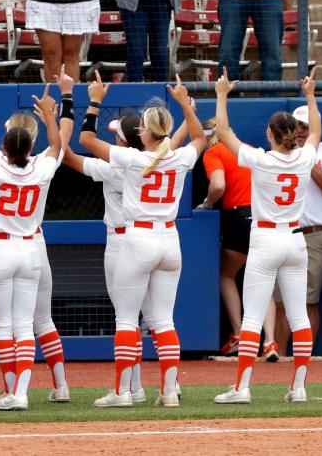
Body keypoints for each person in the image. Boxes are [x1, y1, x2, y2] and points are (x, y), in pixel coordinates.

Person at [81, 75, 205, 408]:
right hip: (169, 238)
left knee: (126, 319)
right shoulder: (178, 159)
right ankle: (168, 392)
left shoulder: (133, 159)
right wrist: (184, 104)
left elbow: (87, 139)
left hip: (138, 238)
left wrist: (94, 101)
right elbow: (199, 137)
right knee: (164, 320)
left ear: (146, 132)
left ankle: (122, 393)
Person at [212, 73, 319, 404]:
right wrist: (311, 96)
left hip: (266, 239)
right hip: (295, 240)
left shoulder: (261, 158)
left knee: (253, 316)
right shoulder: (304, 157)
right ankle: (298, 386)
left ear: (272, 134)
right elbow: (315, 131)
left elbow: (223, 132)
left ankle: (242, 388)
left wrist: (221, 95)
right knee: (298, 315)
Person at [65, 111, 148, 402]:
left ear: (124, 141)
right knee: (154, 318)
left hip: (121, 242)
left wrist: (61, 122)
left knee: (125, 318)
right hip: (153, 239)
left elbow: (68, 156)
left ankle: (124, 390)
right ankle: (156, 386)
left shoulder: (112, 166)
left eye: (118, 135)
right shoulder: (158, 161)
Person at [267, 103, 322, 353]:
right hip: (284, 233)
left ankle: (306, 359)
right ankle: (278, 356)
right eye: (297, 125)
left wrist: (306, 160)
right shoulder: (278, 153)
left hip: (314, 234)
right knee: (281, 302)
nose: (300, 131)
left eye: (306, 126)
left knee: (308, 301)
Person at [197, 107, 255, 358]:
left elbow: (218, 185)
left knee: (226, 274)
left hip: (239, 216)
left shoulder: (214, 151)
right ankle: (270, 341)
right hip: (265, 218)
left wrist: (207, 203)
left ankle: (240, 335)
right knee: (262, 277)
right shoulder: (247, 149)